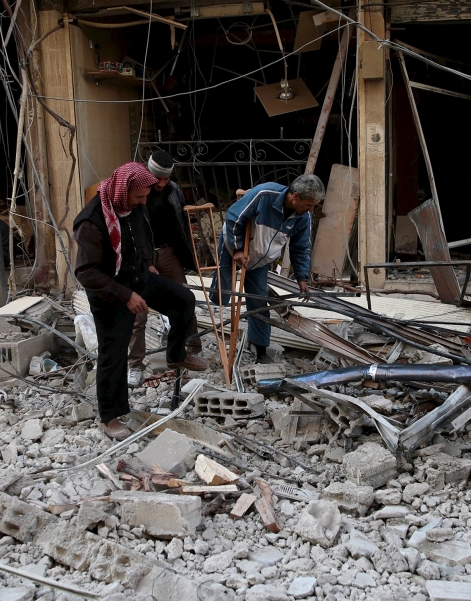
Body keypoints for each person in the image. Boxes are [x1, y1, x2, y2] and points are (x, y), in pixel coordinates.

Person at [74, 162, 208, 440]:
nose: (144, 201)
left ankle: (176, 355)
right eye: (139, 197)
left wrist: (148, 263)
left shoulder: (134, 206)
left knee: (183, 299)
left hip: (138, 277)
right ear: (124, 192)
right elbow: (87, 272)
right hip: (109, 292)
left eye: (145, 197)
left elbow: (143, 235)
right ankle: (110, 417)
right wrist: (126, 295)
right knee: (114, 353)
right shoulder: (92, 220)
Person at [213, 174, 325, 363]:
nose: (311, 210)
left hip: (260, 260)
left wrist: (302, 278)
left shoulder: (302, 217)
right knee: (221, 295)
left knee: (258, 301)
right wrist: (238, 248)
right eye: (309, 205)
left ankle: (261, 351)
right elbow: (234, 217)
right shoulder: (265, 194)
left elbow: (301, 247)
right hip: (233, 247)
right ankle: (221, 336)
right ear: (295, 196)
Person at [127, 150, 202, 388]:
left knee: (184, 298)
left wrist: (189, 253)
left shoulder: (173, 191)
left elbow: (180, 224)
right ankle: (135, 365)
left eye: (165, 179)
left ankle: (190, 349)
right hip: (142, 258)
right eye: (156, 178)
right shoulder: (136, 193)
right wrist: (146, 262)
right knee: (138, 311)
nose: (160, 183)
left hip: (168, 252)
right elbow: (134, 233)